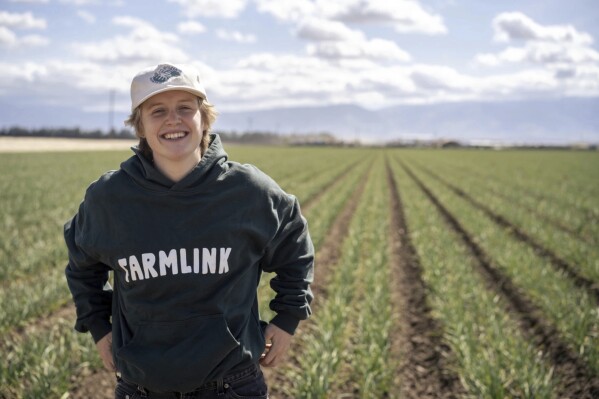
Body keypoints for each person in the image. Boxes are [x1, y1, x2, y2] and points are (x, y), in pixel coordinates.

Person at [64, 63, 314, 399]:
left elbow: (294, 246)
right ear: (140, 125)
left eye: (185, 108)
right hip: (140, 388)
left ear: (204, 117)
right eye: (158, 111)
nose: (173, 120)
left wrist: (287, 318)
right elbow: (82, 264)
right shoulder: (110, 199)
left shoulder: (248, 191)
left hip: (232, 386)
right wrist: (97, 325)